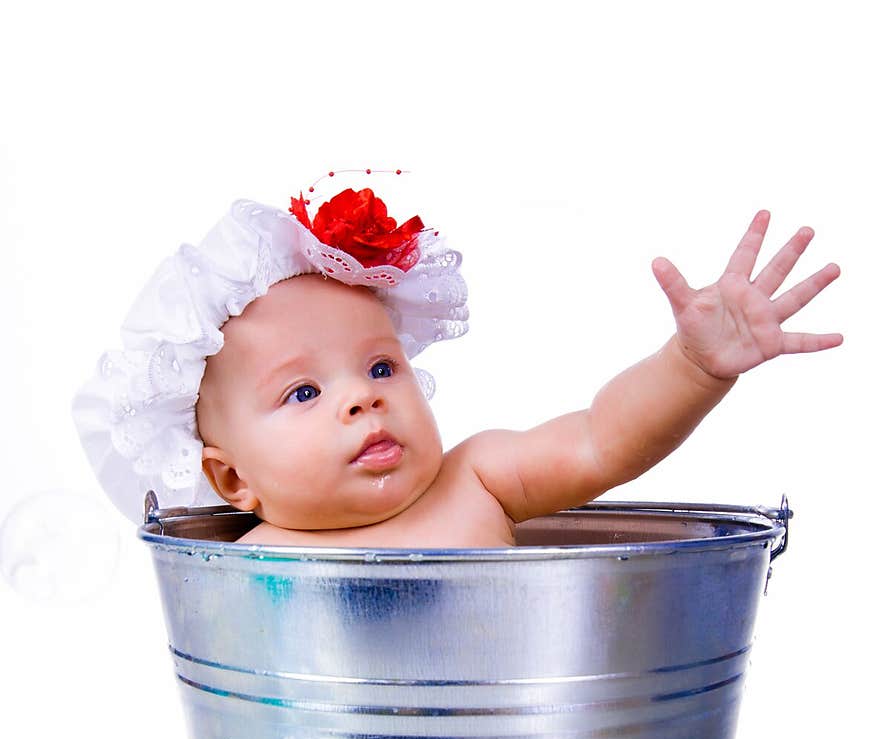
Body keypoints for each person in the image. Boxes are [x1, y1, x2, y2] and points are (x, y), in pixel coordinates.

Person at [73, 178, 841, 547]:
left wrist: (693, 366)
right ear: (233, 479)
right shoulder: (248, 565)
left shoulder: (476, 479)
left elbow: (602, 439)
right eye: (304, 390)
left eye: (381, 368)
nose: (362, 401)